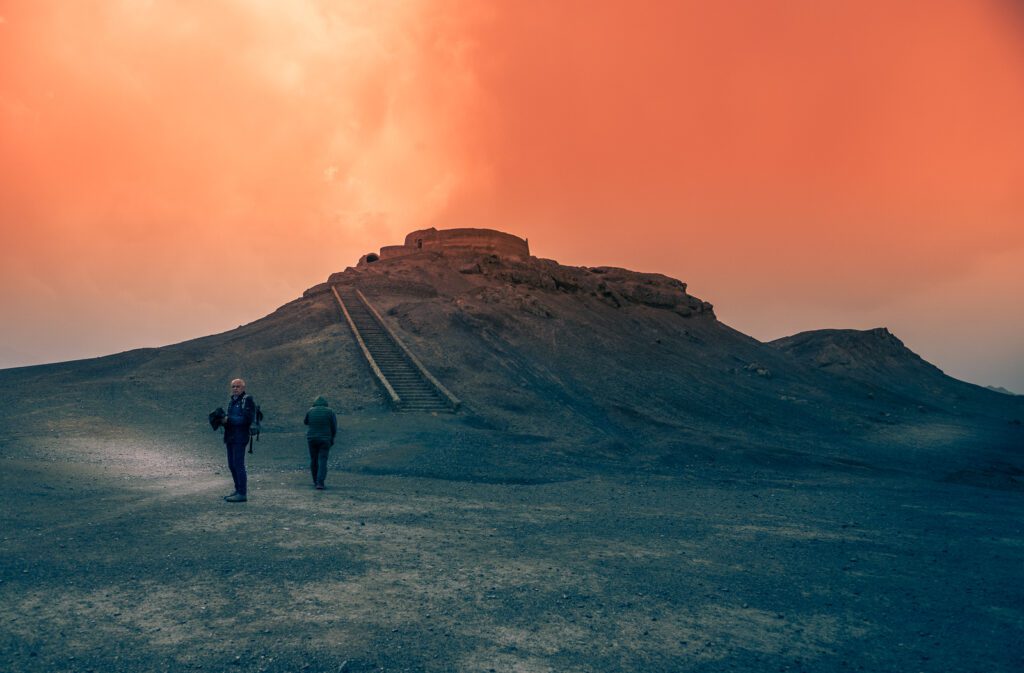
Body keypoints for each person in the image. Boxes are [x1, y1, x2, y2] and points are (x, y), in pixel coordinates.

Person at [222, 378, 256, 502]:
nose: (235, 388)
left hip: (240, 437)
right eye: (233, 386)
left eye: (238, 386)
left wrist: (229, 419)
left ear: (243, 388)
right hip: (230, 437)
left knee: (238, 465)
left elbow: (246, 420)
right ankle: (238, 490)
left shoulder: (247, 400)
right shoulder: (232, 401)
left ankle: (242, 493)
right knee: (232, 465)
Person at [304, 395, 337, 490]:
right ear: (325, 403)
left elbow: (305, 422)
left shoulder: (310, 410)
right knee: (322, 460)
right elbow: (334, 426)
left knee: (313, 459)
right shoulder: (330, 411)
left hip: (312, 439)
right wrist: (332, 438)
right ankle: (320, 483)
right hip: (325, 439)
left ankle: (315, 481)